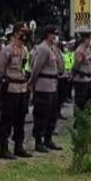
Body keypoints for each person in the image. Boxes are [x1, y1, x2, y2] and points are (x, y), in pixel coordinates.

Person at [0, 23, 31, 160]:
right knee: (7, 119)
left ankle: (19, 145)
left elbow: (26, 67)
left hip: (22, 87)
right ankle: (3, 148)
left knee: (20, 119)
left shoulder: (25, 49)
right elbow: (0, 71)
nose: (25, 35)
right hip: (11, 88)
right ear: (16, 33)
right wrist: (2, 85)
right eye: (22, 32)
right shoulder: (7, 50)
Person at [29, 25, 63, 153]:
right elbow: (36, 67)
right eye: (53, 34)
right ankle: (39, 141)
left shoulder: (52, 49)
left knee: (52, 114)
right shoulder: (43, 48)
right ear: (47, 35)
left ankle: (48, 138)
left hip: (53, 85)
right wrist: (32, 83)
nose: (55, 37)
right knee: (41, 114)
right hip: (43, 85)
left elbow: (60, 65)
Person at [71, 28, 91, 110]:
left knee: (87, 103)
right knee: (80, 103)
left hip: (87, 79)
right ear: (85, 39)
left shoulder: (87, 50)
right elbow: (76, 66)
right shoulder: (80, 51)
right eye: (90, 38)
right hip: (81, 80)